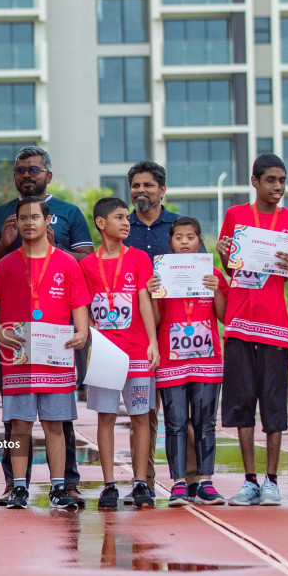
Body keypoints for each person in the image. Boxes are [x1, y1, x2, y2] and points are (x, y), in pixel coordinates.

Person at [0, 146, 93, 501]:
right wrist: (6, 246)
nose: (27, 175)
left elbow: (84, 272)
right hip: (19, 346)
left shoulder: (69, 214)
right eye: (21, 170)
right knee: (18, 422)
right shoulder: (0, 221)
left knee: (58, 421)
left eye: (34, 169)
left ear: (48, 176)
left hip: (57, 343)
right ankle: (17, 485)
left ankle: (65, 484)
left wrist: (82, 330)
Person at [216, 155, 288, 505]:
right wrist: (224, 253)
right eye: (270, 180)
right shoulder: (236, 216)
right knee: (242, 406)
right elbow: (229, 267)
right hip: (239, 324)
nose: (278, 187)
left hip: (275, 326)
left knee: (273, 407)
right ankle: (249, 480)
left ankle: (272, 481)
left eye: (282, 180)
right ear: (255, 182)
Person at [81, 197, 159, 509]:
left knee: (140, 417)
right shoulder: (86, 265)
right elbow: (84, 309)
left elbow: (143, 302)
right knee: (106, 418)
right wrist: (87, 344)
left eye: (127, 217)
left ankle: (141, 482)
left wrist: (152, 342)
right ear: (101, 224)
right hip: (104, 355)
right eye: (119, 217)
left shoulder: (139, 259)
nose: (127, 222)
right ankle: (109, 484)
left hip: (138, 351)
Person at [153, 218, 227, 507]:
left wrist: (217, 289)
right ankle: (179, 484)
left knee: (206, 423)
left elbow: (222, 316)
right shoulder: (160, 274)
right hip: (171, 361)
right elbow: (157, 320)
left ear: (199, 241)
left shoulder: (212, 273)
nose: (185, 241)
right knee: (175, 423)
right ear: (170, 242)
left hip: (207, 360)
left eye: (191, 237)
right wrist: (152, 292)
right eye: (179, 237)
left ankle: (206, 483)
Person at [125, 160, 177, 259]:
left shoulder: (181, 225)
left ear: (162, 191)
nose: (140, 190)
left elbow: (199, 264)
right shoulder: (121, 228)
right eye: (135, 186)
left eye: (148, 185)